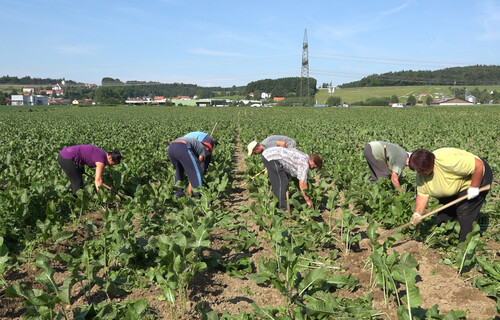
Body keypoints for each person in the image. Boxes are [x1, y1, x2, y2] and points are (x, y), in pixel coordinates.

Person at [409, 148, 493, 242]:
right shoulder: (421, 175)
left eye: (422, 171)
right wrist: (417, 213)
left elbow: (478, 165)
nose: (420, 173)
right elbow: (423, 195)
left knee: (465, 211)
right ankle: (447, 239)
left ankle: (466, 246)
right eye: (418, 171)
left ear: (431, 164)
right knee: (444, 216)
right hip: (453, 187)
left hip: (477, 178)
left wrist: (474, 187)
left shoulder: (447, 161)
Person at [261, 146, 323, 211]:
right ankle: (283, 209)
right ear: (312, 161)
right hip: (271, 158)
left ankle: (279, 202)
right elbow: (302, 184)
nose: (312, 168)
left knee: (281, 181)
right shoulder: (305, 164)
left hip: (269, 154)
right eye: (314, 167)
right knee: (282, 183)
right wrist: (308, 200)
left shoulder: (304, 156)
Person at [58, 145, 122, 196]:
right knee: (77, 183)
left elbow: (85, 154)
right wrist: (101, 196)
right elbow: (98, 179)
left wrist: (80, 167)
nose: (111, 165)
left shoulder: (101, 153)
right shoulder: (101, 160)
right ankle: (76, 203)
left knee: (78, 176)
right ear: (110, 158)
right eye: (113, 163)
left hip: (66, 153)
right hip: (67, 157)